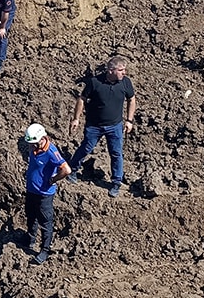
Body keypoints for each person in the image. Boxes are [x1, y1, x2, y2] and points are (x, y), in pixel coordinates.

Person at [66, 55, 137, 198]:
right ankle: (72, 169)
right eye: (121, 70)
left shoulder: (125, 83)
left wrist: (129, 120)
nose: (124, 72)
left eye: (124, 70)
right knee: (86, 147)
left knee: (116, 153)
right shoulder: (94, 82)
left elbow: (131, 99)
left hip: (115, 126)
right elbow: (82, 99)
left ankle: (116, 182)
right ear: (111, 70)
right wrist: (76, 119)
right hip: (94, 126)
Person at [23, 123, 70, 265]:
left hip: (44, 194)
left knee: (45, 222)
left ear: (43, 138)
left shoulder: (51, 151)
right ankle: (30, 239)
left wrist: (52, 180)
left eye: (34, 143)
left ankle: (45, 250)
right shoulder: (34, 147)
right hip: (31, 190)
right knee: (31, 216)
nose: (31, 146)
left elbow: (66, 170)